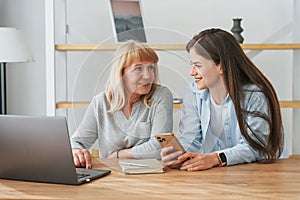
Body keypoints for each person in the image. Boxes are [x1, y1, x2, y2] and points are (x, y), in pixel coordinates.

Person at [161, 28, 285, 171]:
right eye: (192, 64)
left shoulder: (254, 95)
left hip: (255, 174)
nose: (192, 72)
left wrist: (216, 158)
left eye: (198, 65)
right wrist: (179, 156)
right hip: (215, 176)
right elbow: (191, 138)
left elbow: (255, 147)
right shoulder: (194, 91)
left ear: (221, 66)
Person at [71, 40, 173, 168]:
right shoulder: (101, 102)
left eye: (151, 67)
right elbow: (77, 141)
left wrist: (119, 154)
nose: (147, 76)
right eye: (138, 68)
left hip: (150, 175)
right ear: (121, 73)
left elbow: (159, 147)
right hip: (112, 174)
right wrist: (76, 151)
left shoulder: (161, 95)